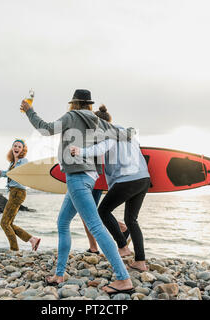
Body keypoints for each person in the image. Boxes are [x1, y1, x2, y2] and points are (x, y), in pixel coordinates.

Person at [20, 89, 134, 295]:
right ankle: (59, 274)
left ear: (73, 103)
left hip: (77, 177)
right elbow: (124, 135)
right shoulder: (98, 121)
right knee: (63, 222)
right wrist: (131, 131)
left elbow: (45, 129)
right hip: (90, 177)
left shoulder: (71, 116)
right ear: (89, 105)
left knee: (96, 227)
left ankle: (123, 278)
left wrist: (29, 111)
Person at [70, 105, 151, 272]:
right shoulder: (127, 134)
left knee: (103, 211)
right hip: (143, 178)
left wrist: (80, 151)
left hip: (126, 180)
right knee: (131, 220)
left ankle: (122, 246)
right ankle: (140, 262)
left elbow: (101, 149)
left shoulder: (108, 134)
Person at [0, 139, 41, 252]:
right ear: (12, 148)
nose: (17, 148)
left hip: (18, 192)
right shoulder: (12, 163)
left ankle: (14, 249)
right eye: (15, 146)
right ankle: (32, 239)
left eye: (19, 146)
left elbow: (27, 171)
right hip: (13, 192)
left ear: (23, 150)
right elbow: (7, 174)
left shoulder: (23, 161)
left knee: (4, 223)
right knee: (9, 223)